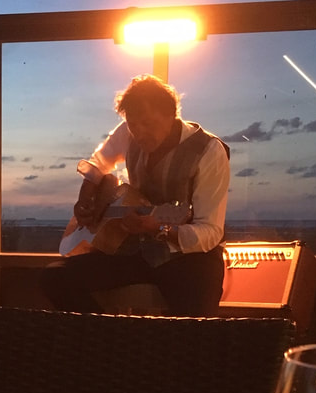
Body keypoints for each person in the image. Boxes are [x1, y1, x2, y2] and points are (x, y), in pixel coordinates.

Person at [41, 74, 230, 316]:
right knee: (54, 278)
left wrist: (160, 230)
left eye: (148, 123)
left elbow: (211, 232)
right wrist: (85, 199)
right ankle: (109, 343)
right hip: (137, 251)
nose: (138, 133)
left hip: (190, 258)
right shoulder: (128, 131)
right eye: (132, 124)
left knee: (193, 334)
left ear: (172, 115)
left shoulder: (209, 151)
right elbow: (98, 165)